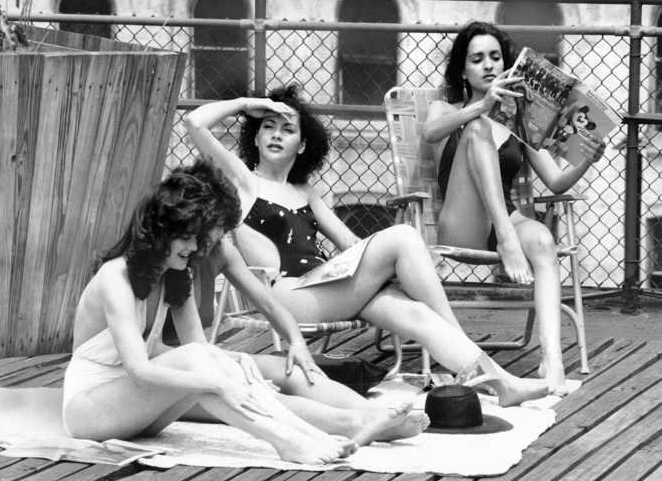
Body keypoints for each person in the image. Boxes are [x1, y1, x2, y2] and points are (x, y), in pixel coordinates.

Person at [185, 85, 551, 407]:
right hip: (287, 296)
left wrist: (394, 270)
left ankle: (498, 382)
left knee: (417, 315)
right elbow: (196, 123)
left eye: (287, 128)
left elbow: (350, 245)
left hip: (328, 284)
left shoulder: (306, 193)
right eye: (268, 127)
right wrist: (251, 103)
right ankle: (482, 358)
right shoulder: (244, 182)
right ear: (256, 136)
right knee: (405, 237)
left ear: (303, 144)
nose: (276, 135)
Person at [62, 159, 432, 466]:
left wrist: (233, 372)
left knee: (219, 362)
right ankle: (286, 441)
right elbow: (140, 372)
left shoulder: (173, 274)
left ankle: (311, 433)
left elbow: (202, 351)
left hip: (137, 413)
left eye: (198, 238)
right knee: (207, 367)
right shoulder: (116, 276)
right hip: (91, 411)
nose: (194, 248)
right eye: (187, 238)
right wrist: (218, 380)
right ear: (160, 232)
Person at [421, 21, 605, 394]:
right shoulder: (446, 107)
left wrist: (588, 157)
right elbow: (430, 134)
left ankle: (551, 363)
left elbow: (555, 181)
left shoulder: (520, 119)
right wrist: (482, 107)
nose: (488, 65)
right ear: (463, 70)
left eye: (495, 57)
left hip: (506, 214)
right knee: (476, 129)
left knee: (541, 241)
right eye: (477, 59)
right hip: (464, 222)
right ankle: (507, 238)